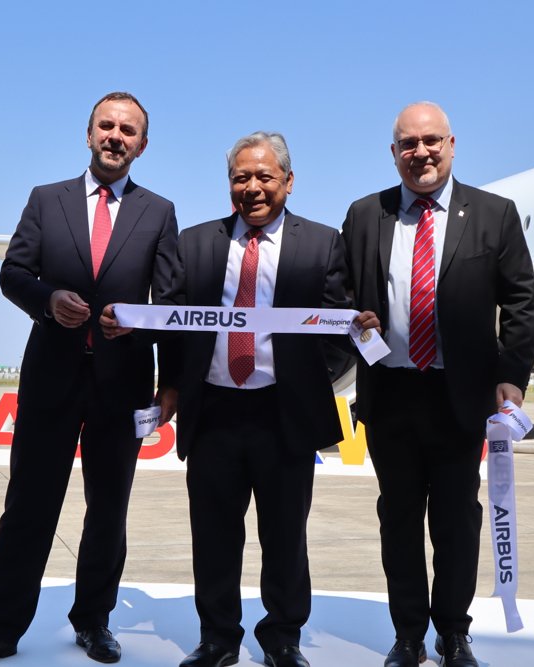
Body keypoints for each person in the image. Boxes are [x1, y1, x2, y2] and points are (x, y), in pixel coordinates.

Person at [102, 132, 378, 667]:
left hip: (285, 413)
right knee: (213, 534)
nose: (252, 188)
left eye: (265, 177)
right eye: (240, 177)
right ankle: (217, 638)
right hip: (215, 411)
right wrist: (132, 328)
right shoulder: (196, 242)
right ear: (229, 183)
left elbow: (339, 327)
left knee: (285, 536)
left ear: (289, 183)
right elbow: (175, 322)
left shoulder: (322, 243)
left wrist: (309, 378)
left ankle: (282, 638)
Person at [0, 92, 179, 667]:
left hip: (122, 382)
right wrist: (48, 300)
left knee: (108, 510)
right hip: (52, 378)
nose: (116, 136)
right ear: (88, 133)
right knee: (27, 505)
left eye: (128, 130)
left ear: (142, 145)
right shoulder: (45, 200)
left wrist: (135, 326)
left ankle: (94, 621)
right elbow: (13, 273)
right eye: (107, 125)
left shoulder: (159, 211)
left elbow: (171, 303)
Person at [340, 103, 534, 667]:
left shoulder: (494, 214)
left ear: (452, 144)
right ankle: (408, 635)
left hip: (460, 396)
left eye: (430, 141)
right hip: (390, 393)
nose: (420, 153)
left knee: (457, 519)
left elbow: (522, 301)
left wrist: (511, 378)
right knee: (397, 518)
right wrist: (355, 326)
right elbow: (340, 298)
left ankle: (454, 632)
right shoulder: (364, 215)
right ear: (394, 152)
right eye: (408, 144)